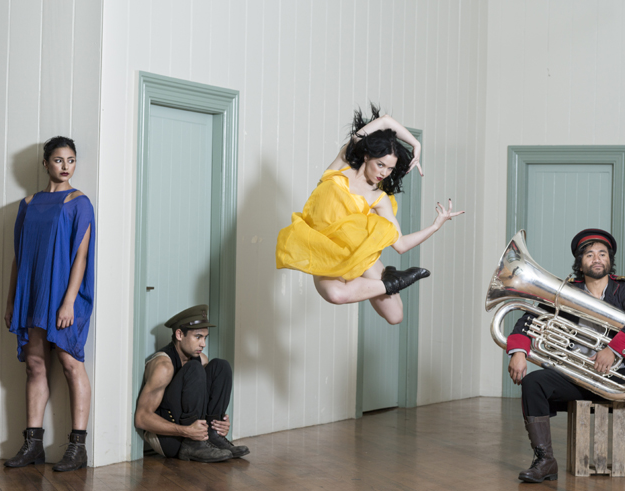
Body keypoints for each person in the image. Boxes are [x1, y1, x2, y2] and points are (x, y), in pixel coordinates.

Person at [507, 229, 625, 485]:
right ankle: (544, 460)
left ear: (609, 260)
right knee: (533, 383)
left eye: (602, 254)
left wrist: (614, 349)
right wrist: (518, 351)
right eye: (590, 254)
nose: (597, 258)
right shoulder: (565, 291)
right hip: (575, 379)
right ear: (580, 262)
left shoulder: (623, 289)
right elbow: (528, 319)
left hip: (618, 380)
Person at [276, 105, 463, 325]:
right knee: (336, 294)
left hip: (358, 253)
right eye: (380, 164)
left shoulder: (378, 197)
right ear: (366, 156)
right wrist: (416, 143)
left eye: (390, 169)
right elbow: (385, 120)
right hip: (325, 251)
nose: (383, 173)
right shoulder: (342, 164)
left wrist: (435, 226)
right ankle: (394, 282)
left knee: (395, 316)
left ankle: (391, 281)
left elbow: (400, 244)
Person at [3, 136, 95, 472]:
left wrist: (69, 301)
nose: (65, 166)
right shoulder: (27, 204)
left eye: (71, 160)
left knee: (71, 365)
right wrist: (13, 299)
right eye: (59, 160)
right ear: (46, 163)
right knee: (35, 366)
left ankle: (78, 447)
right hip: (32, 294)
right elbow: (19, 257)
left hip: (63, 297)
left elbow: (81, 257)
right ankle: (33, 445)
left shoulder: (80, 202)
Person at [134, 305, 248, 463]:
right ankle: (194, 444)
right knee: (194, 368)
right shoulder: (163, 366)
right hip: (168, 439)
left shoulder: (201, 359)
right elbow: (141, 418)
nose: (203, 344)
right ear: (179, 334)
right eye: (198, 337)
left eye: (205, 338)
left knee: (221, 366)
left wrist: (219, 422)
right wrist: (186, 431)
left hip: (197, 435)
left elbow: (204, 397)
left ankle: (214, 436)